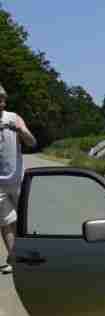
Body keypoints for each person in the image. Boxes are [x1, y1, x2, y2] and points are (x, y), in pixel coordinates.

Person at [0, 83, 36, 273]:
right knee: (5, 222)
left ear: (4, 101)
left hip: (17, 179)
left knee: (24, 219)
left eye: (1, 98)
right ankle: (14, 259)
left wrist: (19, 130)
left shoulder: (14, 118)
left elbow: (32, 142)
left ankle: (31, 253)